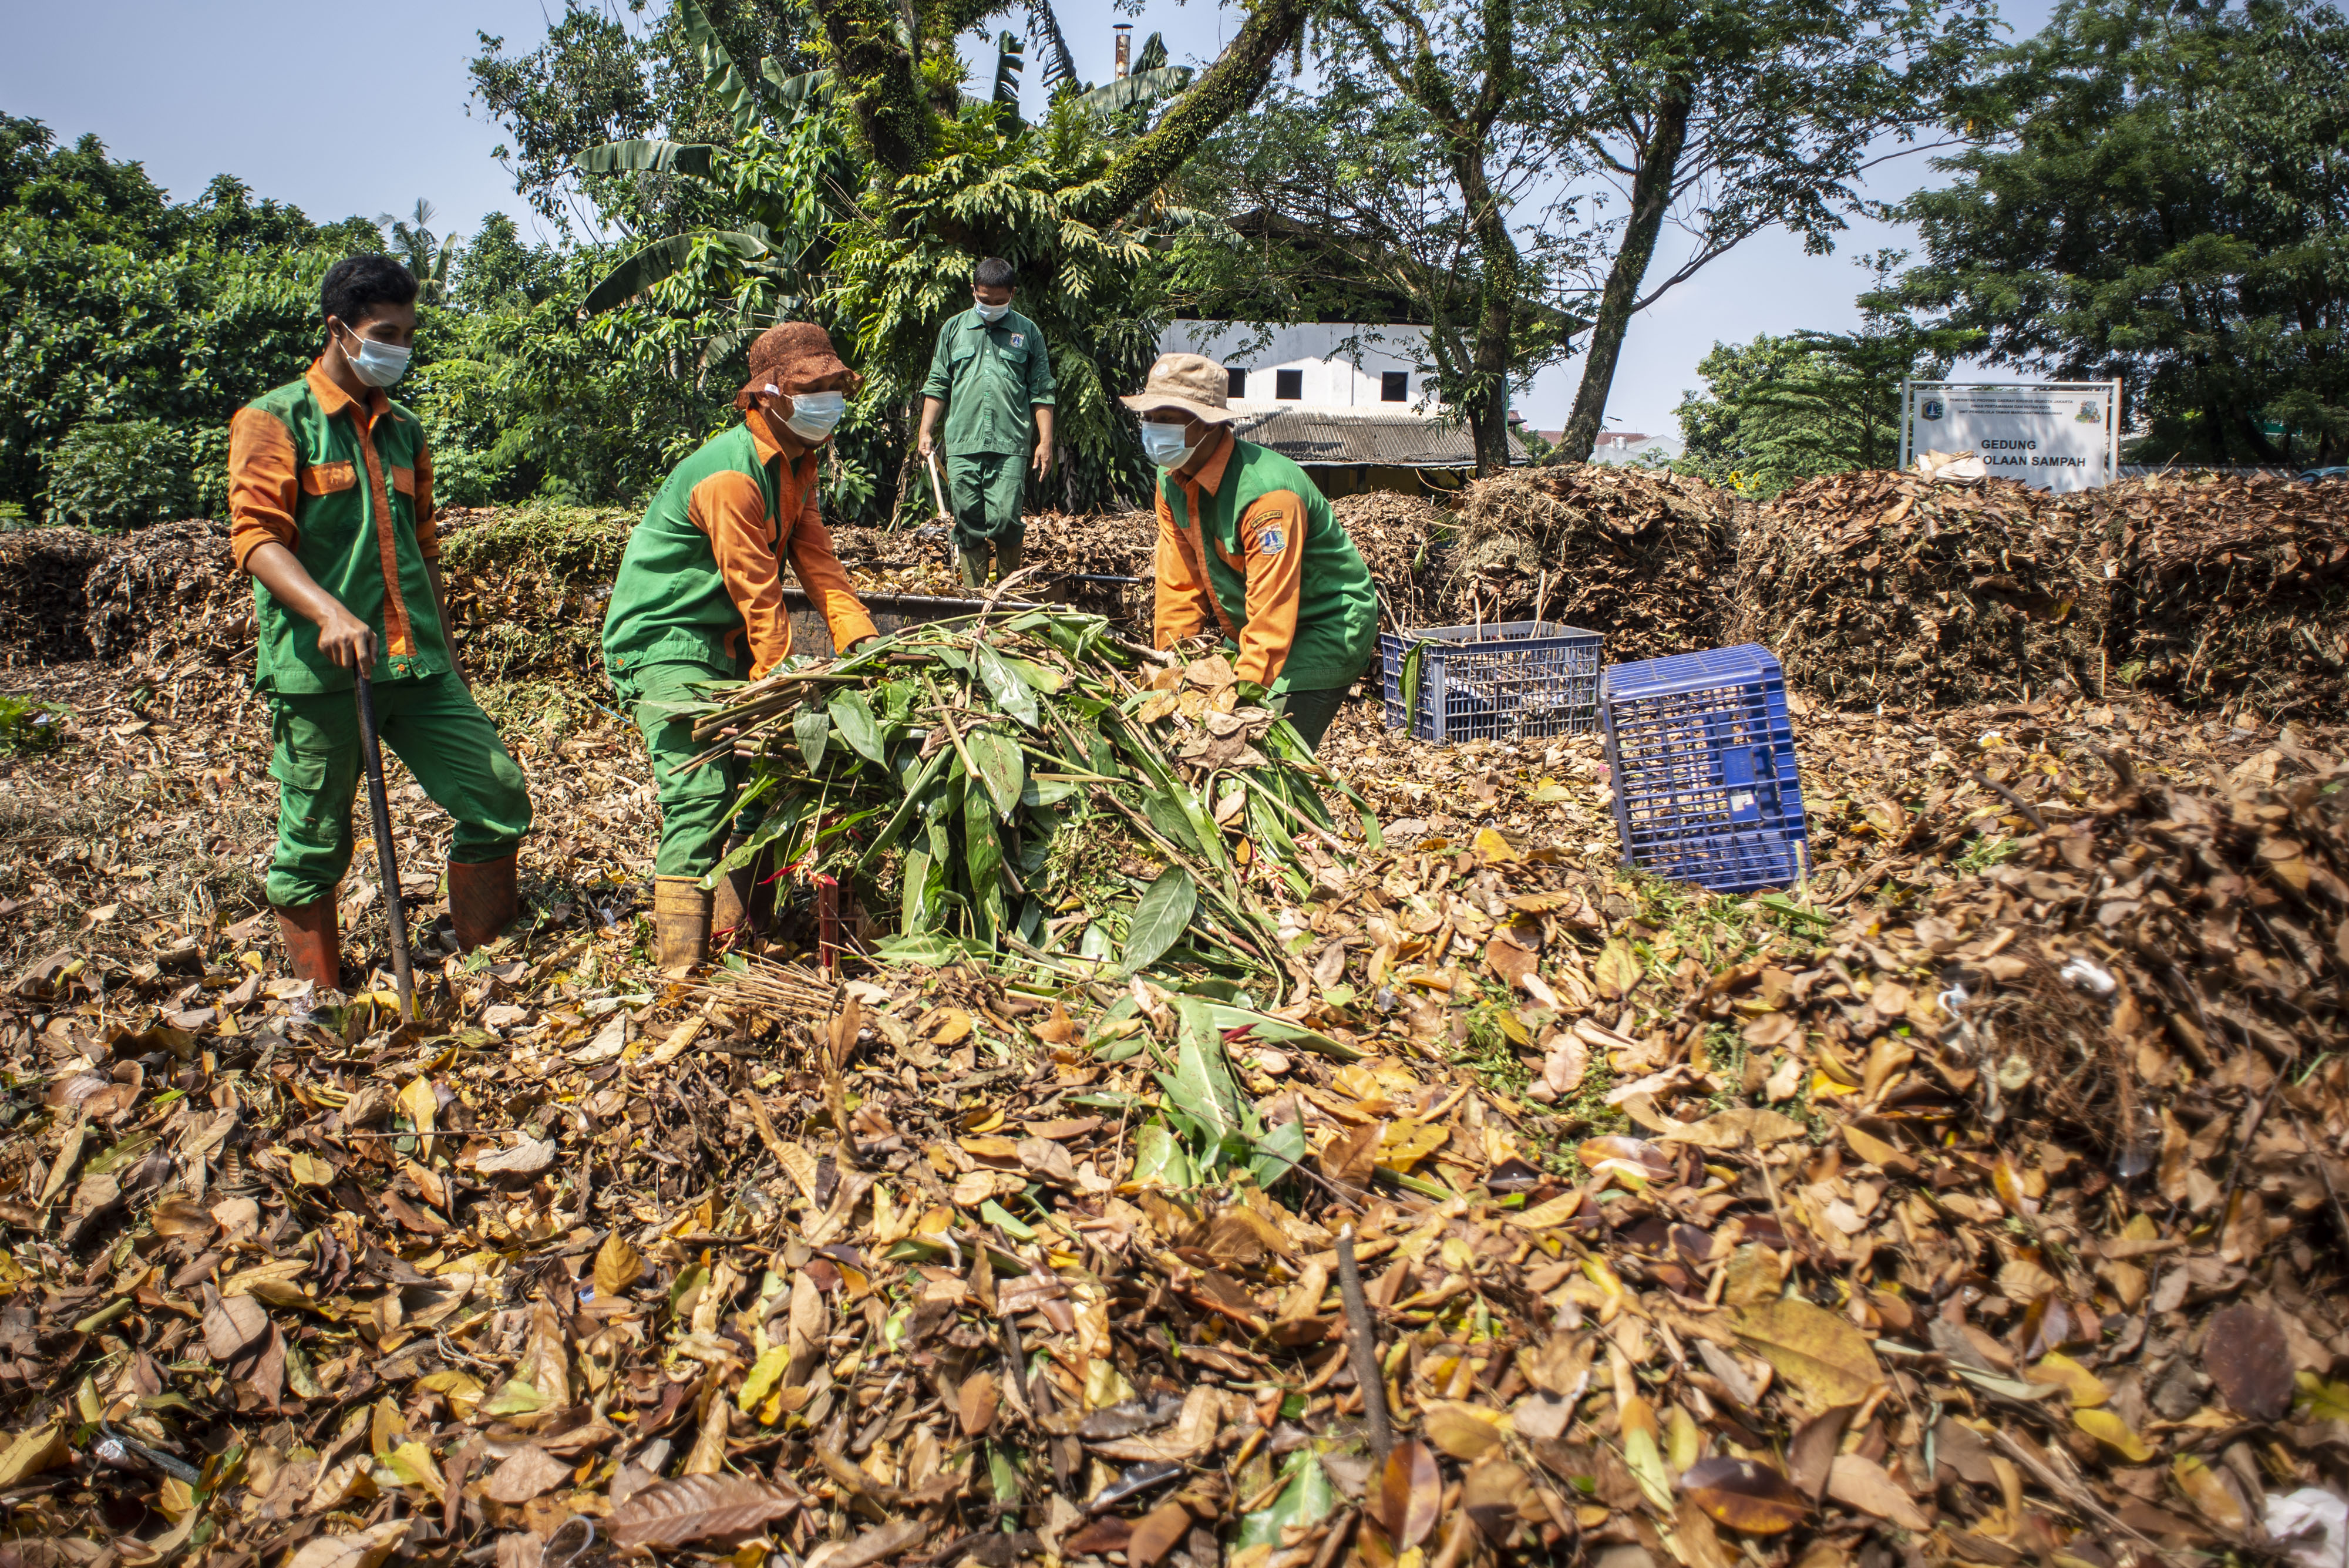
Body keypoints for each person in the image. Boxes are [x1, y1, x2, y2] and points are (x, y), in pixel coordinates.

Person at [227, 254, 533, 988]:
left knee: (496, 793)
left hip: (416, 664)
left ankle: (483, 956)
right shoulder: (275, 420)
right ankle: (321, 995)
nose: (399, 348)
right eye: (384, 333)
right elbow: (257, 539)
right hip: (323, 667)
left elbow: (425, 550)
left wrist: (449, 654)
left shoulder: (406, 433)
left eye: (407, 334)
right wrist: (330, 611)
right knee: (315, 842)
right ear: (339, 329)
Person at [603, 321, 881, 975]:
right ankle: (679, 972)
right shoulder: (728, 476)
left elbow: (821, 569)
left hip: (719, 645)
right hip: (664, 644)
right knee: (700, 791)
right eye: (813, 390)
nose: (828, 403)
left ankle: (734, 933)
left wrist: (865, 645)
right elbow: (757, 591)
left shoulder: (797, 466)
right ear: (770, 397)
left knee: (761, 783)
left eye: (834, 389)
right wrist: (780, 673)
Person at [1122, 352, 1379, 753]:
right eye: (1150, 416)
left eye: (1169, 418)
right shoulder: (1170, 479)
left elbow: (1272, 610)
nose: (1155, 429)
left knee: (1264, 755)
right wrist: (1170, 667)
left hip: (1324, 628)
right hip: (1254, 629)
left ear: (1208, 423)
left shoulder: (1267, 498)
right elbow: (1178, 583)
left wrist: (1241, 696)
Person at [916, 256, 1058, 587]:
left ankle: (1008, 597)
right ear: (973, 291)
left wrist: (1045, 442)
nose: (991, 307)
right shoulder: (953, 330)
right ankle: (974, 597)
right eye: (983, 300)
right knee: (968, 521)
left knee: (1007, 518)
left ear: (1012, 294)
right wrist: (926, 431)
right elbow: (938, 384)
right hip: (963, 443)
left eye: (999, 301)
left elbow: (1042, 392)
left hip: (1011, 444)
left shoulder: (1028, 333)